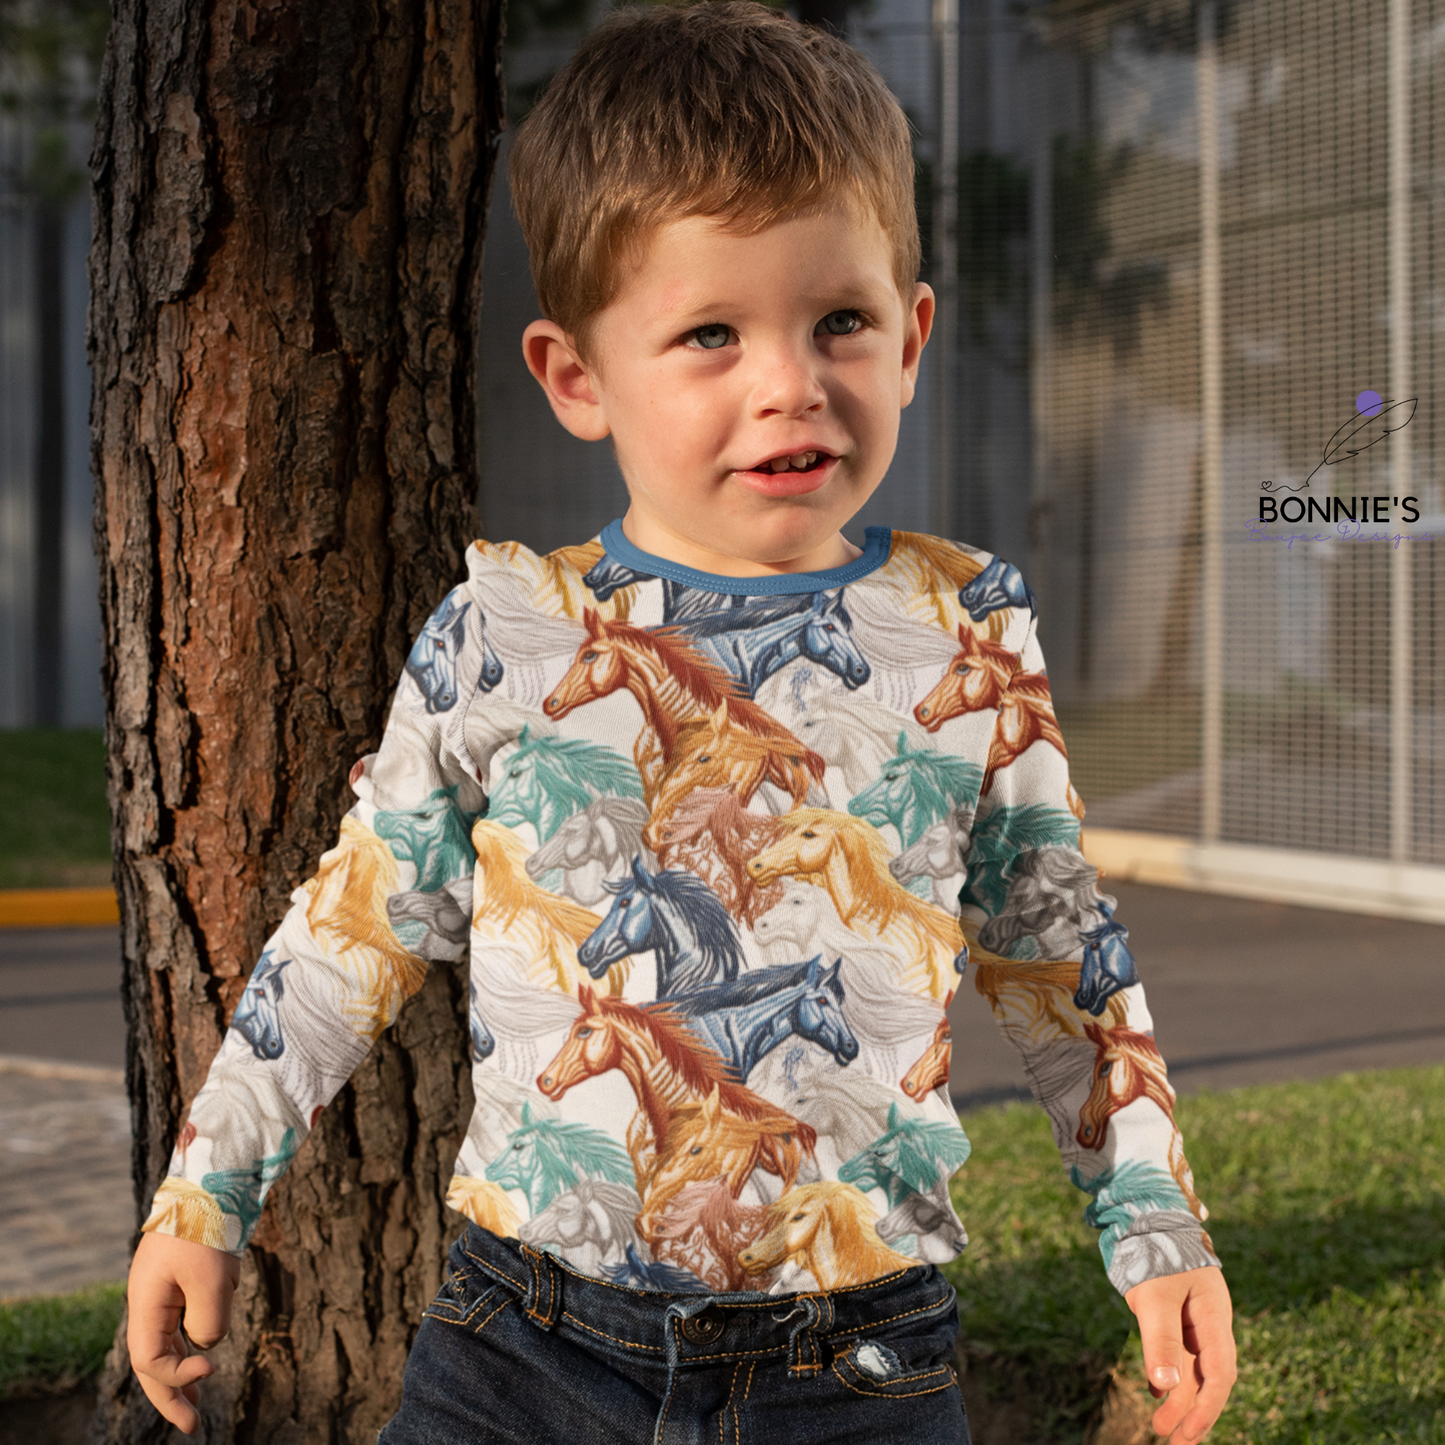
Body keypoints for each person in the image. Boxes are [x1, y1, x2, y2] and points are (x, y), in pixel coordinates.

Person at [125, 5, 1237, 1442]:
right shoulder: (506, 634)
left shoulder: (970, 632)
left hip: (858, 1367)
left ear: (910, 339)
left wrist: (1159, 1229)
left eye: (839, 322)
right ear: (577, 378)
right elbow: (355, 928)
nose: (790, 382)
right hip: (520, 1354)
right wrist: (205, 1190)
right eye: (711, 333)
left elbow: (1058, 947)